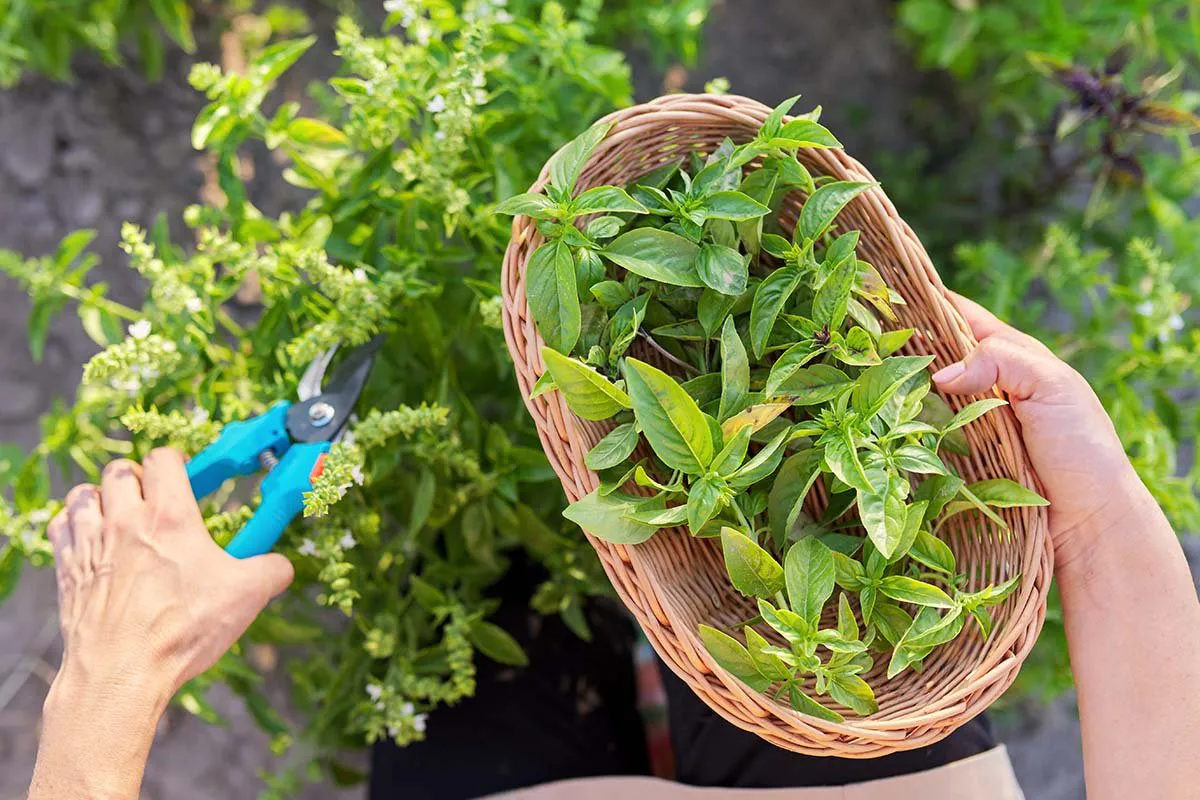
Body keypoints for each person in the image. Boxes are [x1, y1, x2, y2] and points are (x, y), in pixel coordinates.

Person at [26, 293, 1200, 800]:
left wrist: (107, 683)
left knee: (481, 599)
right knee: (645, 531)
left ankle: (505, 533)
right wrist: (1095, 510)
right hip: (880, 746)